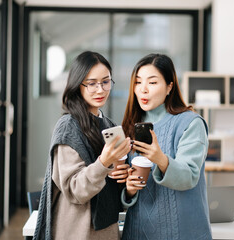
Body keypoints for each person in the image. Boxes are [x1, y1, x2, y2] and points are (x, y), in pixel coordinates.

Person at [33, 51, 131, 240]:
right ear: (78, 85)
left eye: (105, 81)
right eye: (91, 83)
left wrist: (120, 173)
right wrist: (104, 162)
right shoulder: (68, 126)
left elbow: (111, 186)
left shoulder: (108, 125)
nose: (100, 89)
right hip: (77, 231)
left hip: (106, 229)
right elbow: (76, 190)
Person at [121, 53, 212, 240]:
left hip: (182, 233)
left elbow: (189, 175)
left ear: (170, 87)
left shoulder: (190, 123)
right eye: (138, 82)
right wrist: (129, 189)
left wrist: (160, 159)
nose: (143, 90)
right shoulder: (131, 126)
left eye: (152, 83)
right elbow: (125, 188)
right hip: (137, 233)